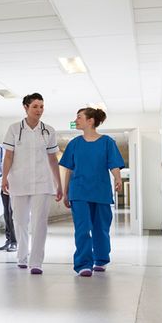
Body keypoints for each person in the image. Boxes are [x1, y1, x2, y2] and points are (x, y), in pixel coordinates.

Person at [1, 93, 63, 275]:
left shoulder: (49, 130)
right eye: (35, 106)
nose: (39, 110)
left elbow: (53, 159)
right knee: (19, 221)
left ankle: (36, 262)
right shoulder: (14, 129)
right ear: (26, 107)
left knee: (39, 222)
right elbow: (9, 156)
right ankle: (22, 255)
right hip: (18, 181)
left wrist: (58, 184)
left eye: (42, 106)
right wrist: (4, 178)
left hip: (43, 182)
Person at [59, 108, 124, 277]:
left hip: (101, 190)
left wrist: (118, 178)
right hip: (79, 191)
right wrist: (65, 192)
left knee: (101, 228)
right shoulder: (74, 143)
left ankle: (101, 259)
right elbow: (69, 170)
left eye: (79, 117)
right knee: (82, 228)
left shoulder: (107, 142)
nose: (76, 120)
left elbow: (114, 163)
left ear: (91, 121)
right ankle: (83, 264)